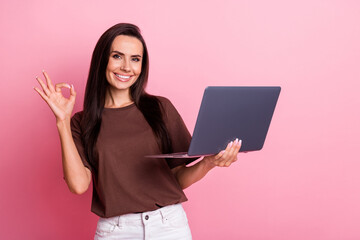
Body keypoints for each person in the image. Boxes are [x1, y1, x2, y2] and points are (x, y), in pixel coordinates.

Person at [34, 23, 241, 240]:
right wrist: (62, 121)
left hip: (169, 226)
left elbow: (176, 179)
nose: (126, 67)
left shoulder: (160, 108)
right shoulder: (82, 122)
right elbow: (78, 185)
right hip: (115, 231)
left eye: (135, 59)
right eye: (117, 56)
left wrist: (208, 163)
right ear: (102, 60)